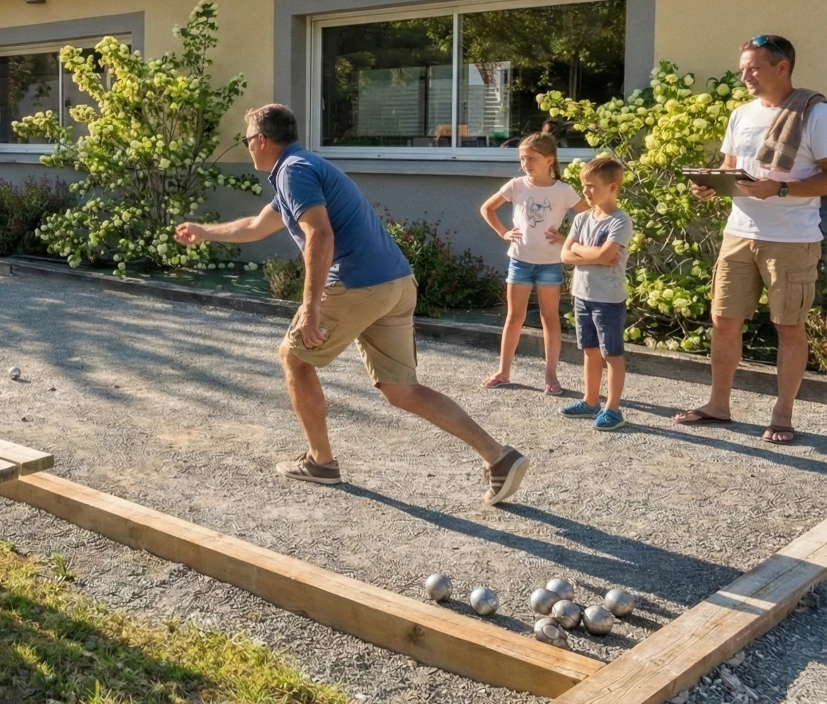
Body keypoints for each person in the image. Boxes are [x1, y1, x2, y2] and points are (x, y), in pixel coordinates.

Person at [174, 104, 531, 506]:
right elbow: (258, 225)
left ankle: (320, 463)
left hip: (356, 282)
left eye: (247, 139)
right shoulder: (302, 167)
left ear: (261, 140)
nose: (247, 147)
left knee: (295, 359)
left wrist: (310, 307)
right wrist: (205, 231)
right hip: (394, 282)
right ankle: (498, 457)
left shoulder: (293, 172)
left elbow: (319, 237)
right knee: (402, 390)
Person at [679, 35, 827, 445]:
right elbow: (731, 168)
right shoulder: (741, 114)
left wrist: (779, 189)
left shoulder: (815, 114)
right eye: (743, 67)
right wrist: (711, 185)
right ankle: (718, 405)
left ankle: (782, 415)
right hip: (739, 232)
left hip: (792, 238)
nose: (744, 75)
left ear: (783, 68)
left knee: (788, 326)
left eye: (754, 68)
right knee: (724, 320)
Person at [478, 133, 584, 394]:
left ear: (550, 160)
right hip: (520, 261)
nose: (526, 163)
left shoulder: (563, 191)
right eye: (522, 158)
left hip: (550, 264)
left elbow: (588, 216)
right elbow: (487, 209)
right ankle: (503, 371)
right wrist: (504, 232)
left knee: (550, 319)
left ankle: (550, 376)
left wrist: (566, 239)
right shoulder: (516, 185)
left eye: (532, 158)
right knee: (514, 318)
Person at [559, 157, 633, 430]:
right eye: (584, 186)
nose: (586, 192)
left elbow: (606, 255)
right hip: (582, 295)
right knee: (589, 351)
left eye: (592, 186)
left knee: (611, 354)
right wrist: (590, 255)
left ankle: (613, 409)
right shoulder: (581, 218)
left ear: (612, 187)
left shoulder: (620, 221)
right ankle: (590, 401)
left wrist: (581, 251)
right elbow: (565, 255)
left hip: (608, 299)